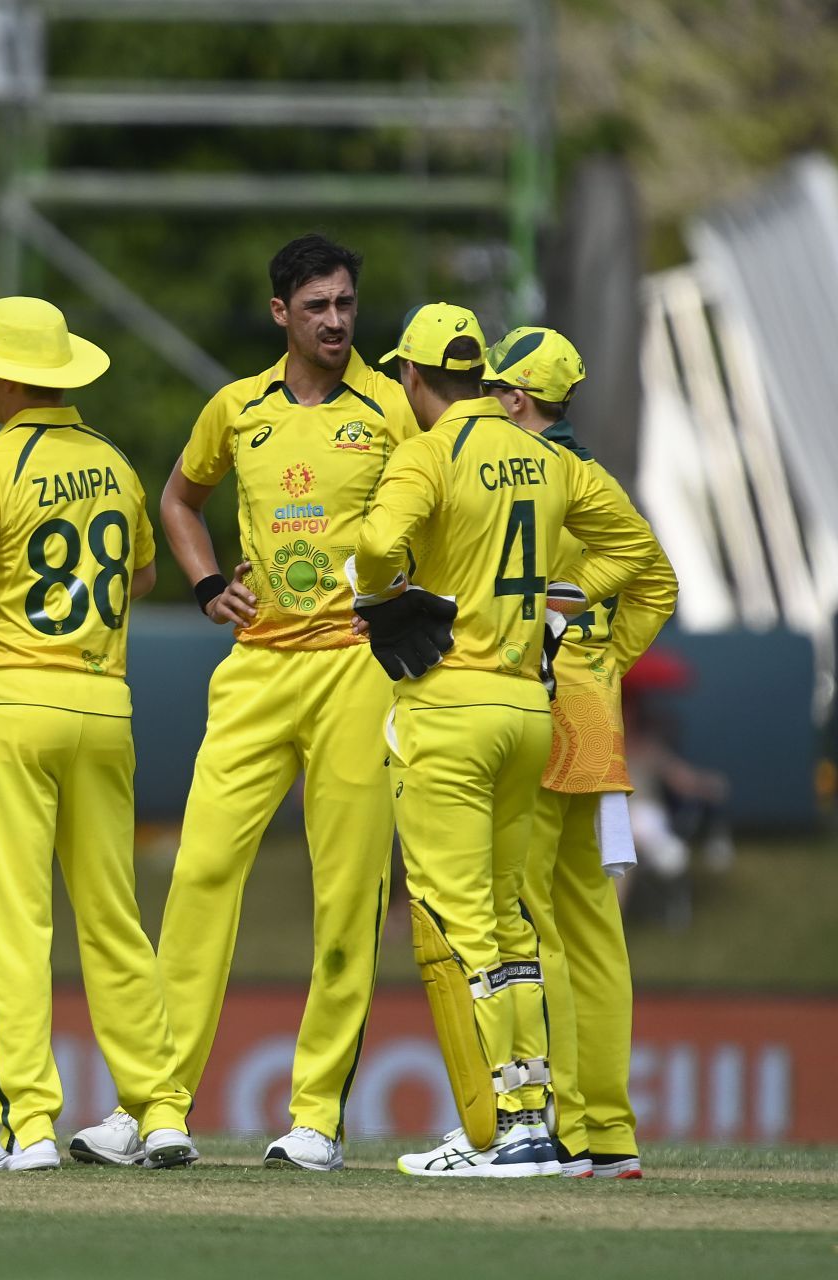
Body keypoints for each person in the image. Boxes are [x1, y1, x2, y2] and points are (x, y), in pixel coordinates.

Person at [116, 235, 414, 1172]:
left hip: (354, 670)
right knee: (201, 872)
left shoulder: (395, 409)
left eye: (346, 305)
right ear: (281, 313)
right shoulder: (235, 407)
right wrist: (207, 586)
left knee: (347, 895)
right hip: (254, 666)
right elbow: (178, 498)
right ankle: (158, 1110)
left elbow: (445, 510)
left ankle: (316, 1117)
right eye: (316, 306)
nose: (335, 321)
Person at [353, 302, 660, 1177]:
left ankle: (517, 1126)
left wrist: (385, 598)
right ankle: (554, 1123)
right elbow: (638, 557)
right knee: (518, 922)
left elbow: (378, 545)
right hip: (535, 711)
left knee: (459, 927)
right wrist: (564, 608)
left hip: (450, 709)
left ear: (414, 378)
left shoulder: (428, 452)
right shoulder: (551, 461)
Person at [0, 297, 196, 1172]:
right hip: (102, 702)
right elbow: (142, 570)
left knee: (14, 920)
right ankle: (160, 1113)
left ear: (5, 376)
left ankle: (28, 1125)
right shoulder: (111, 460)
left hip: (10, 702)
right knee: (115, 918)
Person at [485, 326, 677, 1178]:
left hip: (538, 700)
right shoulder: (590, 471)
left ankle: (562, 1127)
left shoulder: (528, 475)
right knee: (596, 931)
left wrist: (560, 617)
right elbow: (657, 581)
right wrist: (602, 660)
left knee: (535, 923)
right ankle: (612, 1133)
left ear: (518, 399)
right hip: (592, 711)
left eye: (494, 390)